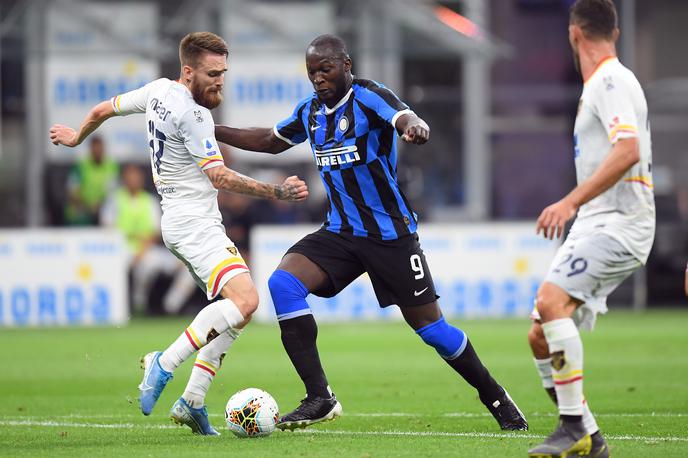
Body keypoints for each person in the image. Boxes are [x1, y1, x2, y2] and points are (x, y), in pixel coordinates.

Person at [214, 34, 528, 432]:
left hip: (389, 237)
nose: (318, 79)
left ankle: (495, 396)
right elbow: (270, 141)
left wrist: (415, 128)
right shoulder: (311, 111)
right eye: (311, 72)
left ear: (346, 64)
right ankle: (319, 396)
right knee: (283, 284)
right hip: (340, 233)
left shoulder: (368, 96)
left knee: (434, 331)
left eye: (325, 70)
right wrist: (213, 129)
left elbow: (404, 117)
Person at [49, 31, 308, 435]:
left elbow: (103, 109)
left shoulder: (156, 91)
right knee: (246, 300)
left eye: (223, 73)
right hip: (194, 224)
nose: (219, 81)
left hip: (183, 221)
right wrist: (276, 191)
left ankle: (193, 399)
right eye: (211, 73)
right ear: (188, 72)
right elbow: (219, 175)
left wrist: (75, 137)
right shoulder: (194, 114)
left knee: (237, 314)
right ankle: (164, 362)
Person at [526, 1, 655, 456]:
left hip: (621, 222)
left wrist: (568, 200)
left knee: (550, 301)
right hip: (595, 221)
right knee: (540, 332)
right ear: (614, 32)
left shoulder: (611, 80)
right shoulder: (601, 83)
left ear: (574, 34)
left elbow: (628, 150)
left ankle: (573, 427)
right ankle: (590, 436)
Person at [100, 164, 196, 315]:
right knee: (147, 264)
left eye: (136, 177)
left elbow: (155, 232)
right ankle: (139, 303)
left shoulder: (149, 201)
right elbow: (107, 227)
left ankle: (170, 306)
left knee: (188, 265)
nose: (133, 180)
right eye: (129, 177)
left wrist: (142, 249)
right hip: (121, 249)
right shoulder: (115, 199)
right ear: (124, 179)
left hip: (146, 249)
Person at [65, 135, 119, 225]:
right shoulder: (80, 165)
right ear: (90, 149)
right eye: (95, 148)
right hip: (81, 209)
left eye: (100, 148)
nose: (97, 151)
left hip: (102, 209)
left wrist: (100, 205)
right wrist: (88, 206)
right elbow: (73, 191)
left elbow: (113, 191)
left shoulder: (112, 166)